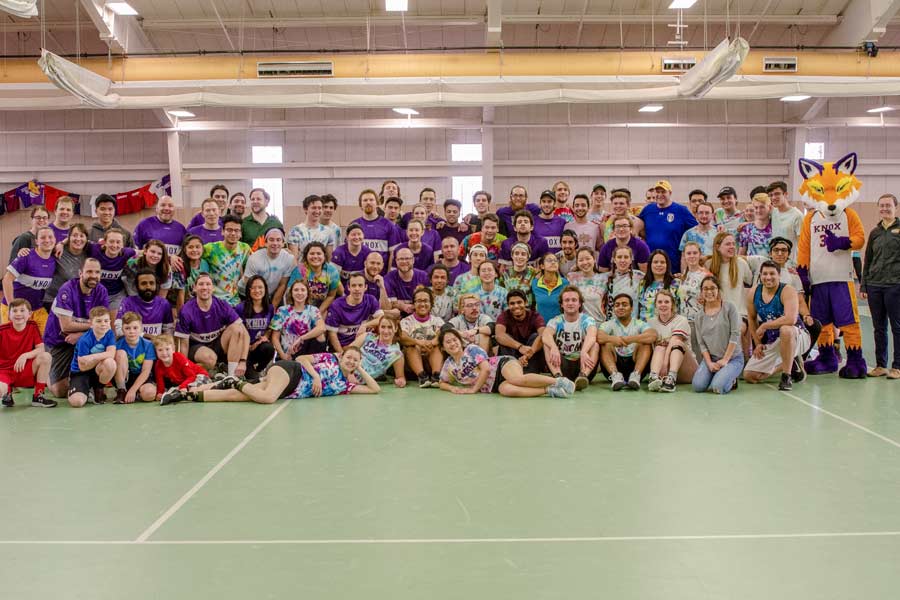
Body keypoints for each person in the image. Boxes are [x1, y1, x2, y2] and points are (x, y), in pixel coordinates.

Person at [163, 347, 380, 405]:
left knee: (236, 396)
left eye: (355, 360)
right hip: (291, 371)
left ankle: (187, 394)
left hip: (289, 390)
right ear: (342, 356)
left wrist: (359, 368)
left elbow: (374, 389)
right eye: (349, 357)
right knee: (267, 399)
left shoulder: (345, 385)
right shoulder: (330, 358)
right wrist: (314, 377)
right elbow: (303, 358)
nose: (351, 361)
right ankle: (234, 380)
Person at [438, 328, 573, 398]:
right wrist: (452, 388)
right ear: (443, 347)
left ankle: (559, 381)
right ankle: (549, 391)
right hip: (494, 385)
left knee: (516, 379)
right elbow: (442, 382)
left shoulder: (471, 349)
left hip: (501, 365)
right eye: (448, 342)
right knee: (507, 390)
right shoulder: (449, 365)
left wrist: (474, 389)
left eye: (455, 340)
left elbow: (485, 370)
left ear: (460, 341)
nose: (453, 343)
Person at [43, 258, 109, 398]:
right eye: (89, 271)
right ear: (81, 273)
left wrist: (81, 335)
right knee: (60, 392)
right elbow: (66, 326)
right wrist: (93, 327)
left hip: (81, 338)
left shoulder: (101, 291)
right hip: (60, 341)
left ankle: (93, 385)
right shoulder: (67, 290)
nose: (93, 275)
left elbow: (105, 325)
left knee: (106, 354)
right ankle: (47, 375)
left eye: (97, 272)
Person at [743, 261, 809, 390]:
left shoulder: (787, 290)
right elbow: (751, 318)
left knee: (785, 330)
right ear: (760, 276)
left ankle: (786, 376)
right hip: (775, 340)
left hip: (797, 336)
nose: (768, 277)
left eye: (772, 274)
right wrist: (758, 344)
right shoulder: (754, 293)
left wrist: (765, 326)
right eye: (765, 274)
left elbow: (791, 319)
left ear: (779, 275)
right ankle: (792, 363)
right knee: (750, 376)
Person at [175, 273, 250, 377]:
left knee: (237, 329)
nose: (205, 287)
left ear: (213, 288)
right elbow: (183, 344)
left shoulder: (222, 305)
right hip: (197, 346)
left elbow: (244, 332)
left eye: (208, 284)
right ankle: (203, 373)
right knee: (210, 358)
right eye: (201, 284)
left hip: (217, 343)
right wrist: (184, 368)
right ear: (195, 288)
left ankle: (231, 377)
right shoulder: (186, 310)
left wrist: (243, 361)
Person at [861, 193, 900, 379]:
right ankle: (880, 365)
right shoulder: (875, 232)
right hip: (875, 285)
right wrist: (864, 285)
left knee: (897, 327)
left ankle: (897, 366)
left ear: (896, 207)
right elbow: (868, 259)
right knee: (879, 327)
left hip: (895, 285)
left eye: (888, 205)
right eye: (882, 206)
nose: (884, 209)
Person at [692, 275, 744, 394]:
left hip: (732, 359)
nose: (709, 291)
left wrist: (725, 359)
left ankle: (730, 379)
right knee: (697, 386)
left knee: (717, 387)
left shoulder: (730, 308)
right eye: (705, 289)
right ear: (701, 292)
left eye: (712, 288)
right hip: (712, 358)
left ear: (718, 290)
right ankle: (717, 374)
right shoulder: (698, 316)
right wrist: (709, 363)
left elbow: (735, 334)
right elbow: (701, 343)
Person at [542, 286, 599, 390]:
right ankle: (558, 378)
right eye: (567, 300)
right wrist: (554, 347)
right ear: (562, 304)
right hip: (562, 364)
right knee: (547, 345)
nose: (570, 303)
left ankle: (583, 377)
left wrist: (584, 351)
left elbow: (592, 335)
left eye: (574, 300)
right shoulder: (556, 320)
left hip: (582, 363)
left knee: (595, 345)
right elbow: (545, 335)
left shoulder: (587, 320)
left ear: (579, 304)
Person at [0, 299, 54, 408]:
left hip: (23, 369)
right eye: (14, 311)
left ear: (29, 314)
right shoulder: (2, 331)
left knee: (46, 357)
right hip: (4, 372)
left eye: (22, 310)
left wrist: (25, 355)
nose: (18, 314)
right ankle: (7, 393)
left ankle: (38, 396)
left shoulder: (32, 326)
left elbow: (41, 349)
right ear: (9, 315)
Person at [597, 293, 656, 391]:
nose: (620, 307)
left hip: (635, 364)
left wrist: (630, 339)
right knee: (605, 343)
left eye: (624, 305)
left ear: (632, 308)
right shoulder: (608, 324)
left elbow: (653, 335)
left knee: (645, 342)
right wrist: (614, 339)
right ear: (614, 309)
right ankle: (615, 376)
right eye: (617, 305)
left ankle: (635, 375)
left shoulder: (639, 323)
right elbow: (599, 336)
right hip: (615, 365)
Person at [2, 226, 56, 333]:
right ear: (36, 241)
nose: (47, 240)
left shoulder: (54, 261)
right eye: (43, 237)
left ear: (55, 240)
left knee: (45, 339)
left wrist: (62, 244)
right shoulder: (26, 256)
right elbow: (6, 280)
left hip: (36, 309)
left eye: (50, 237)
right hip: (15, 308)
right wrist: (12, 308)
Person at [706, 232, 753, 353]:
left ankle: (742, 359)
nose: (732, 247)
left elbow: (751, 281)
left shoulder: (741, 264)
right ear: (717, 247)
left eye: (733, 244)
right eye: (728, 244)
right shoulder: (709, 265)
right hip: (716, 313)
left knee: (735, 330)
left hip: (739, 313)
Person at [646, 290, 697, 392]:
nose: (663, 305)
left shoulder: (681, 320)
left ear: (672, 304)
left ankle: (671, 379)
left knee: (676, 343)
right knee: (659, 347)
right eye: (660, 302)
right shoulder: (651, 322)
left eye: (666, 302)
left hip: (686, 370)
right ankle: (654, 377)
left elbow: (674, 341)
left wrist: (664, 364)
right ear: (655, 304)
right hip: (662, 371)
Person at [639, 180, 698, 267]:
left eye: (663, 192)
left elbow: (696, 229)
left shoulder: (681, 210)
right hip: (652, 262)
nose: (660, 195)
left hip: (673, 263)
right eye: (657, 192)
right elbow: (637, 224)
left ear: (670, 193)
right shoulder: (648, 210)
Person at [67, 307, 117, 407]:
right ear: (91, 323)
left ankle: (98, 389)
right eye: (98, 321)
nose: (103, 324)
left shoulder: (109, 334)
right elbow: (82, 367)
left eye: (106, 321)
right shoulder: (84, 340)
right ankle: (78, 390)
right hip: (80, 373)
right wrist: (101, 357)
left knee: (110, 363)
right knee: (77, 402)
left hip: (97, 370)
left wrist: (92, 357)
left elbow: (111, 354)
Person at [399, 287, 445, 388]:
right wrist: (419, 342)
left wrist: (431, 343)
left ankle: (436, 376)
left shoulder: (437, 320)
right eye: (419, 301)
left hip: (431, 358)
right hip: (412, 362)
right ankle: (422, 377)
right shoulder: (406, 321)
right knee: (411, 346)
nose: (422, 304)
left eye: (426, 301)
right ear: (414, 304)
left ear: (431, 303)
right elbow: (403, 337)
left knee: (437, 346)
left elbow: (441, 335)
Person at [326, 273, 383, 353]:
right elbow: (332, 334)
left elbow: (382, 319)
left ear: (365, 287)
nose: (357, 289)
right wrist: (342, 354)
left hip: (365, 343)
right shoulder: (337, 305)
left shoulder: (370, 300)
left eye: (360, 285)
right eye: (353, 285)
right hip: (345, 346)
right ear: (348, 287)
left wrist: (365, 325)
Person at [270, 279, 327, 360]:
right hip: (288, 353)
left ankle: (313, 362)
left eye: (303, 290)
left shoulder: (313, 310)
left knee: (320, 336)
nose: (299, 293)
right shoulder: (282, 310)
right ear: (291, 293)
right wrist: (283, 355)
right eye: (296, 290)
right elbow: (275, 338)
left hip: (306, 352)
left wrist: (301, 338)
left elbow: (322, 328)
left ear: (307, 293)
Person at [202, 215, 251, 306]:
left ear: (240, 234)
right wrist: (173, 258)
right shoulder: (210, 248)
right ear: (222, 232)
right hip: (214, 301)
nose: (233, 233)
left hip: (235, 301)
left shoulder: (245, 248)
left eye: (236, 230)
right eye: (229, 230)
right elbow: (191, 254)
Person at [234, 275, 276, 380]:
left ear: (265, 289)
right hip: (243, 349)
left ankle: (259, 369)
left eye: (260, 287)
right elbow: (236, 331)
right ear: (248, 290)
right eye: (253, 288)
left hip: (259, 347)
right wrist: (247, 346)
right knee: (252, 379)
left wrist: (265, 337)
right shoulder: (240, 308)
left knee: (269, 348)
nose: (257, 290)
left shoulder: (270, 308)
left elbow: (270, 328)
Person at [87, 227, 135, 318]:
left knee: (113, 326)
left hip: (116, 295)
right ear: (105, 242)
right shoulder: (94, 250)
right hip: (95, 293)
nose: (115, 245)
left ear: (122, 244)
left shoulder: (127, 253)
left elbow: (144, 253)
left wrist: (170, 258)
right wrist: (61, 244)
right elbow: (77, 241)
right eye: (111, 241)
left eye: (118, 242)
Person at [239, 227, 293, 307]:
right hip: (247, 293)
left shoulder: (288, 258)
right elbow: (250, 284)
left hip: (269, 294)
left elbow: (282, 285)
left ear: (283, 243)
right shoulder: (255, 258)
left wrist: (272, 308)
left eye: (278, 240)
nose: (275, 243)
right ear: (265, 243)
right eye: (271, 240)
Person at [495, 289, 546, 373]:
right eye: (512, 303)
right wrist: (520, 347)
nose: (516, 306)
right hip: (512, 353)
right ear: (508, 305)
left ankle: (530, 372)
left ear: (525, 303)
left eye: (519, 302)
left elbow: (543, 335)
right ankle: (512, 371)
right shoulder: (504, 316)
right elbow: (499, 335)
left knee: (535, 337)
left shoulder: (535, 315)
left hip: (531, 354)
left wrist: (528, 353)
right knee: (505, 338)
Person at [152, 334, 212, 404]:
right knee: (175, 390)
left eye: (167, 349)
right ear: (156, 352)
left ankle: (214, 386)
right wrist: (160, 393)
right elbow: (160, 382)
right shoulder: (158, 365)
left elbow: (192, 376)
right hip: (186, 382)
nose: (164, 353)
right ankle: (179, 394)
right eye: (160, 350)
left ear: (173, 349)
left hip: (199, 376)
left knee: (192, 390)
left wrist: (183, 386)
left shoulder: (179, 358)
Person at [112, 311, 157, 404]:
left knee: (150, 394)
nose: (132, 331)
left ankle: (136, 393)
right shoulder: (118, 344)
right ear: (123, 330)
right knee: (119, 354)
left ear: (141, 328)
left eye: (135, 328)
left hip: (141, 376)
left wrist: (133, 390)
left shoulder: (148, 345)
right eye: (127, 328)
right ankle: (122, 390)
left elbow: (146, 371)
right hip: (125, 376)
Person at [115, 269, 174, 337]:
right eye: (143, 283)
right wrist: (144, 335)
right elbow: (119, 331)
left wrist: (160, 342)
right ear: (137, 286)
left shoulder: (164, 303)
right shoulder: (127, 302)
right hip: (133, 345)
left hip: (156, 346)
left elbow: (169, 331)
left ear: (156, 285)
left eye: (151, 283)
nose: (148, 286)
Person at [350, 315, 406, 387]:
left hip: (358, 380)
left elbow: (400, 377)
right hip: (345, 370)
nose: (386, 331)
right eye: (383, 327)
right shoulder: (367, 336)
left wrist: (401, 382)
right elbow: (346, 353)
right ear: (379, 328)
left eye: (390, 327)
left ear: (396, 328)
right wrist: (349, 373)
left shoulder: (396, 354)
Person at [286, 242, 342, 313]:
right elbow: (290, 294)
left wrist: (318, 313)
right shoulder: (300, 271)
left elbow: (331, 296)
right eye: (312, 254)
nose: (315, 256)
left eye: (319, 254)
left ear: (324, 256)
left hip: (323, 307)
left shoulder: (332, 271)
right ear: (306, 256)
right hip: (301, 305)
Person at [352, 188, 401, 267]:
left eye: (371, 200)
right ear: (360, 205)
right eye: (365, 200)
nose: (368, 202)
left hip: (382, 275)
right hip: (359, 275)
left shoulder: (388, 225)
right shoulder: (354, 225)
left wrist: (389, 274)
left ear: (377, 204)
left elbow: (393, 254)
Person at [44, 223, 88, 305]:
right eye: (74, 235)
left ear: (86, 239)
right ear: (69, 238)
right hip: (52, 301)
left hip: (74, 302)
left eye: (82, 236)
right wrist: (24, 250)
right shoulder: (58, 251)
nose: (78, 239)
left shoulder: (89, 253)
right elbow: (40, 251)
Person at [598, 246, 643, 321]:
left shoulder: (640, 277)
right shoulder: (604, 278)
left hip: (632, 325)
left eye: (626, 257)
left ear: (631, 259)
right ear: (614, 260)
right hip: (611, 324)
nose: (622, 260)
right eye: (619, 257)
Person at [288, 194, 338, 260]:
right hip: (301, 269)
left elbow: (328, 260)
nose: (317, 211)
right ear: (305, 209)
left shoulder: (328, 232)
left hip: (321, 270)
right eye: (314, 208)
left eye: (319, 208)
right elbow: (293, 260)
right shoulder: (295, 231)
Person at [384, 247, 430, 316]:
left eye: (407, 258)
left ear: (413, 260)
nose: (404, 261)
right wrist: (402, 306)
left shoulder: (424, 276)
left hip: (420, 315)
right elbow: (389, 304)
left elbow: (429, 301)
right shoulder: (388, 278)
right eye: (401, 259)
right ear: (396, 261)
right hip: (396, 318)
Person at [637, 250, 680, 321]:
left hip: (669, 326)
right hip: (646, 327)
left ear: (667, 265)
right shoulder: (642, 284)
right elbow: (638, 308)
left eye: (662, 262)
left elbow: (680, 308)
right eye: (655, 262)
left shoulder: (676, 284)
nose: (659, 265)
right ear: (650, 265)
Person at [767, 181, 802, 263]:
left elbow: (802, 245)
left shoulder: (797, 216)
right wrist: (746, 223)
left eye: (777, 194)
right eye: (771, 195)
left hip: (791, 264)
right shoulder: (773, 212)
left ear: (785, 194)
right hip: (775, 263)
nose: (773, 197)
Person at [677, 241, 711, 324]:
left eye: (695, 253)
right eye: (688, 253)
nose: (692, 256)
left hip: (700, 321)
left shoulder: (706, 275)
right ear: (684, 256)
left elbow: (714, 300)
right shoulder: (685, 273)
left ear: (700, 254)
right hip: (683, 320)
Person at [568, 247, 606, 322]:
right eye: (581, 260)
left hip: (599, 323)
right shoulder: (571, 277)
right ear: (577, 263)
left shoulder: (604, 278)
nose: (585, 262)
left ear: (594, 260)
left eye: (588, 258)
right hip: (579, 325)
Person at [172, 235, 209, 310]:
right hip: (182, 306)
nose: (194, 250)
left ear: (202, 249)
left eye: (197, 247)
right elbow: (180, 295)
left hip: (199, 306)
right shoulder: (180, 265)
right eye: (190, 247)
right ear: (185, 250)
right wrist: (181, 316)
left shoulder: (205, 264)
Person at [331, 223, 372, 289]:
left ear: (363, 236)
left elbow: (370, 276)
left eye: (359, 234)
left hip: (360, 290)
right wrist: (343, 294)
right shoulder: (339, 252)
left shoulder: (368, 252)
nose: (356, 237)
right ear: (347, 237)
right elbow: (334, 278)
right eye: (353, 234)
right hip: (342, 289)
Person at [678, 200, 717, 269]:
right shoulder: (688, 234)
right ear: (696, 215)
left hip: (714, 273)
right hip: (694, 275)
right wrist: (684, 276)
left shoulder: (718, 234)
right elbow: (683, 258)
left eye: (707, 213)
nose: (704, 216)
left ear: (712, 215)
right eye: (701, 213)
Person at [531, 253, 568, 323]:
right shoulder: (535, 283)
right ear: (542, 266)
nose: (553, 262)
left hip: (561, 326)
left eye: (555, 260)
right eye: (549, 260)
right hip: (541, 326)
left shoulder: (565, 283)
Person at [500, 243, 537, 307]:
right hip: (510, 311)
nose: (519, 257)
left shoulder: (534, 274)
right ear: (512, 255)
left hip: (530, 312)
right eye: (516, 253)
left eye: (523, 254)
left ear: (528, 257)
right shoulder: (505, 275)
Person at [739, 192, 773, 256]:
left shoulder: (775, 226)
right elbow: (741, 255)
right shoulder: (747, 229)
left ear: (770, 208)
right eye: (756, 208)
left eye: (762, 207)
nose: (759, 210)